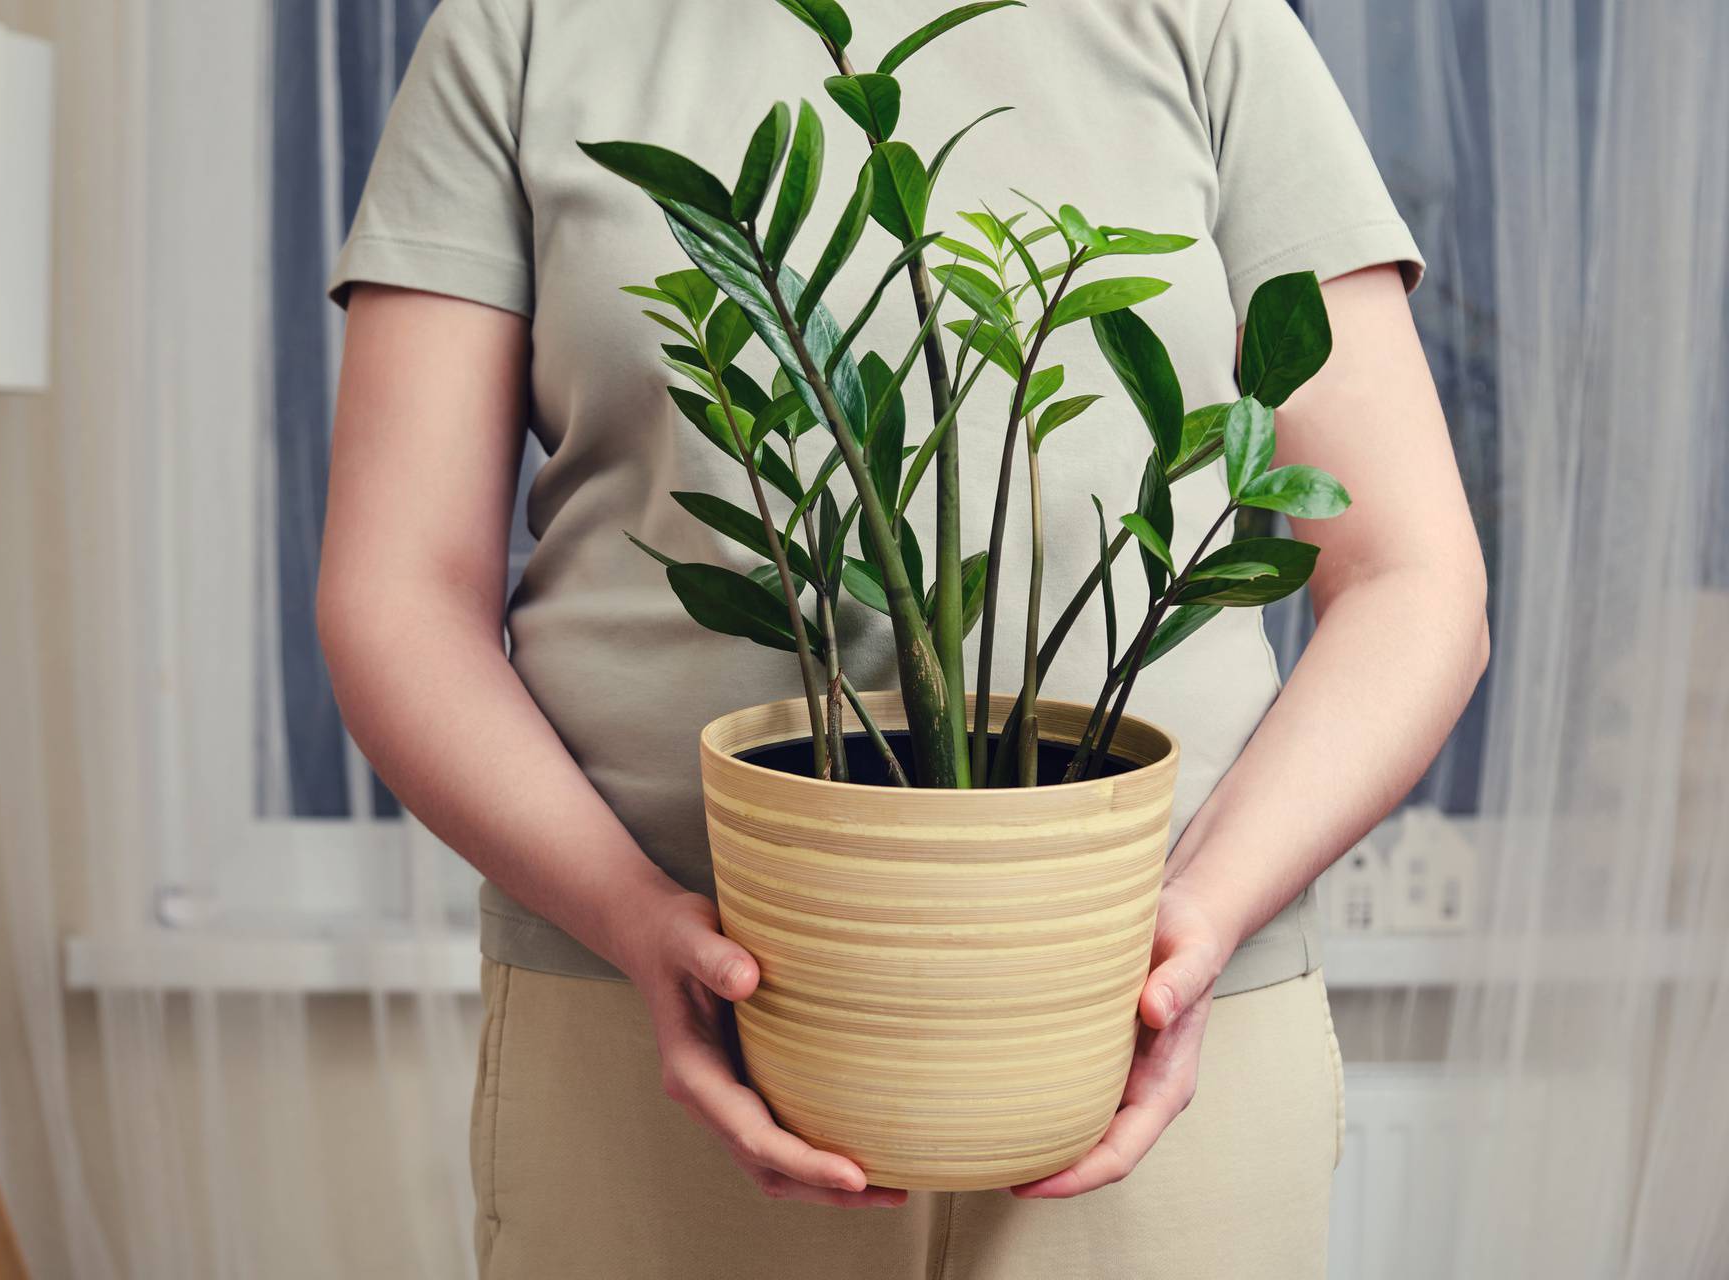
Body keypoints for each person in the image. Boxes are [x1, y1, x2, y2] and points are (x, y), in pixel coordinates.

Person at [317, 1, 1488, 1275]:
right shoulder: (523, 25)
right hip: (664, 1035)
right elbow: (397, 596)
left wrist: (1195, 929)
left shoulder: (1205, 20)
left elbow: (1410, 578)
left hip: (1152, 1041)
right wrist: (633, 915)